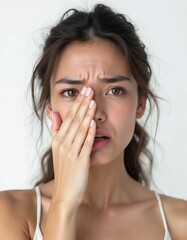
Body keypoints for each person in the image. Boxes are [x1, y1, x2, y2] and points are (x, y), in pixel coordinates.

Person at [0, 3, 187, 240]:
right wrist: (64, 204)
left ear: (140, 103)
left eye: (114, 90)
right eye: (71, 92)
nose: (94, 113)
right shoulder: (9, 214)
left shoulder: (179, 221)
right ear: (49, 107)